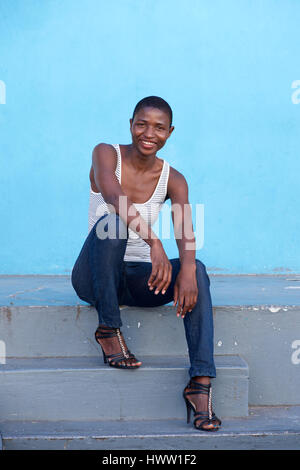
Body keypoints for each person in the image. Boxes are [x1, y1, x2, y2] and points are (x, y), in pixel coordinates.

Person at [71, 96, 221, 432]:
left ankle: (200, 383)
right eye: (141, 124)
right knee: (114, 224)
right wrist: (154, 240)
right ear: (130, 124)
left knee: (196, 270)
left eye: (158, 127)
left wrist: (187, 271)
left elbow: (184, 231)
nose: (148, 133)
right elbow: (113, 196)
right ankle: (109, 328)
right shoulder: (105, 153)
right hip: (95, 276)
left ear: (170, 132)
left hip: (139, 280)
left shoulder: (175, 179)